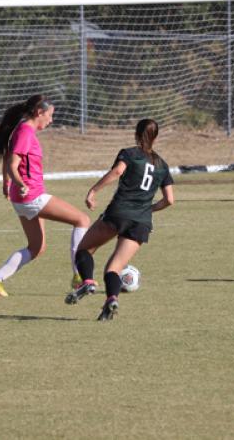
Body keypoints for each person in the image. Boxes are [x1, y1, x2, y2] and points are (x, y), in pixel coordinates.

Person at [65, 118, 174, 321]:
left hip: (119, 213)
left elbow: (117, 171)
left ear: (136, 133)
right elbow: (169, 200)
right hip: (141, 222)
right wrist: (148, 209)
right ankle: (111, 299)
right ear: (156, 137)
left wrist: (93, 190)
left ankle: (88, 281)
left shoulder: (130, 153)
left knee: (83, 250)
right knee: (114, 268)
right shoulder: (162, 165)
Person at [0, 94, 91, 297]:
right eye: (50, 115)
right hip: (31, 196)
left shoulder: (21, 129)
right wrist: (18, 182)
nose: (51, 120)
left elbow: (7, 157)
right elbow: (13, 164)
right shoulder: (25, 131)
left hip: (21, 199)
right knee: (82, 220)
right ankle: (79, 277)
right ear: (39, 112)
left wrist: (7, 183)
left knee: (37, 247)